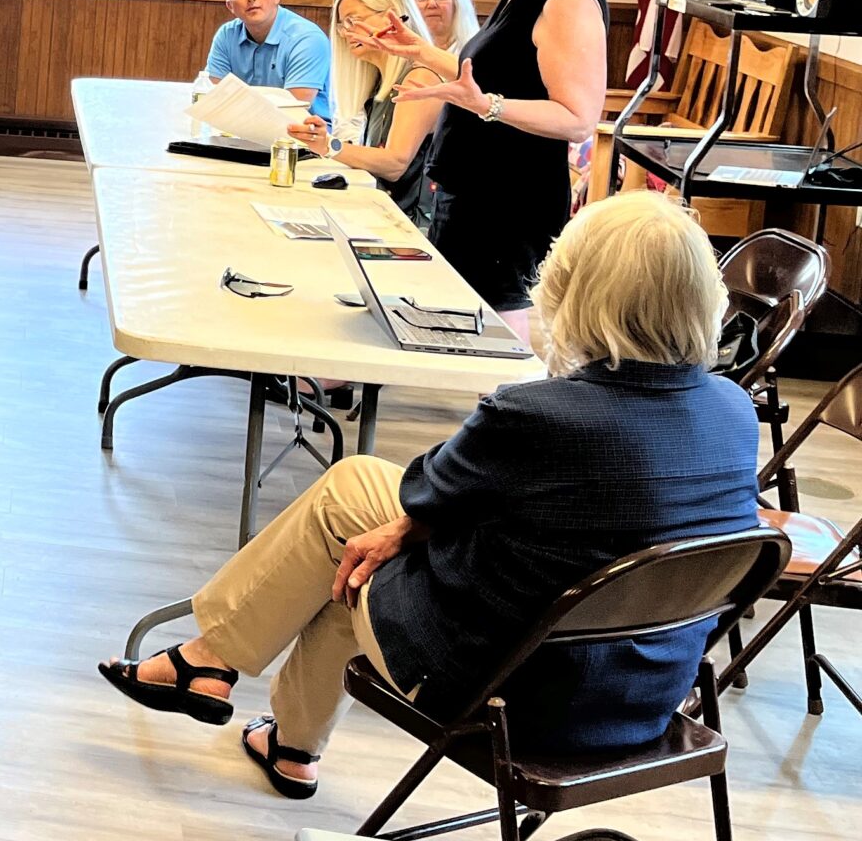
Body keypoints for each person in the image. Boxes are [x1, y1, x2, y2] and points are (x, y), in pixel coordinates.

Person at [94, 190, 757, 798]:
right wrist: (411, 525)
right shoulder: (733, 411)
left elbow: (428, 487)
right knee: (356, 541)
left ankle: (211, 661)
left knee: (352, 507)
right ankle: (287, 743)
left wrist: (408, 526)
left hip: (504, 692)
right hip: (639, 696)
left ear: (575, 291)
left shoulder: (539, 416)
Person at [373, 0, 609, 328]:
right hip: (474, 196)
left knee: (495, 355)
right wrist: (423, 52)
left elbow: (578, 120)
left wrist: (489, 106)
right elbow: (489, 76)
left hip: (510, 209)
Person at [283, 0, 441, 219]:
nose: (346, 33)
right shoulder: (381, 84)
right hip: (384, 212)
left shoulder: (418, 79)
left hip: (411, 226)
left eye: (353, 21)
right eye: (342, 25)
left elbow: (395, 164)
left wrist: (330, 145)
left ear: (393, 16)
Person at [204, 0, 333, 120]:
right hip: (241, 131)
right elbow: (215, 99)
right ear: (230, 6)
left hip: (303, 137)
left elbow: (292, 112)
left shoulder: (307, 39)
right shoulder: (226, 35)